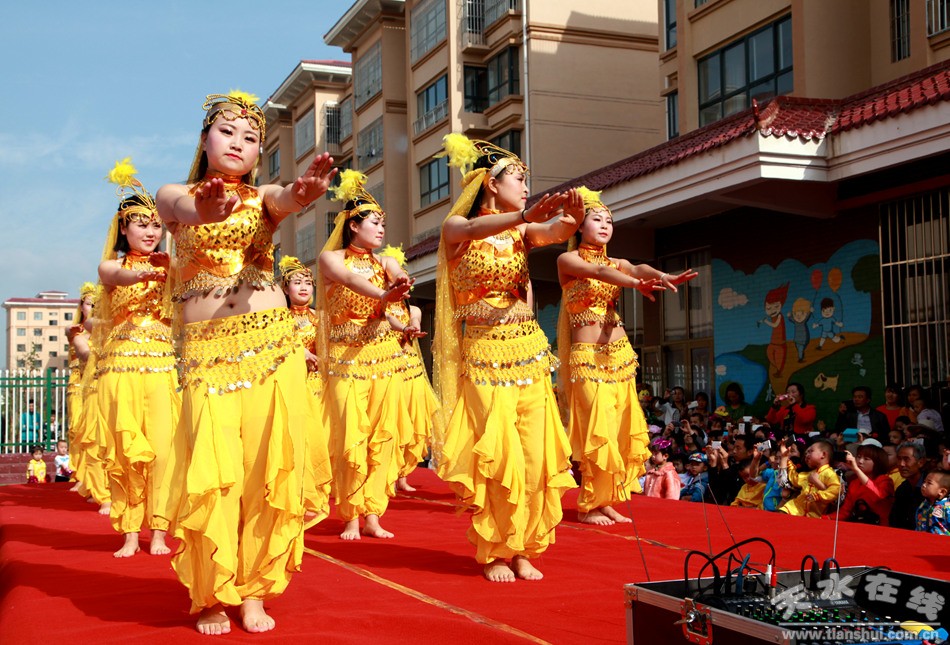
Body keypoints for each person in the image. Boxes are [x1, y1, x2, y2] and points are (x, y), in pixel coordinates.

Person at [156, 91, 336, 635]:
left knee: (266, 469)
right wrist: (207, 210)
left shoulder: (261, 198)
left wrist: (300, 194)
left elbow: (281, 199)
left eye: (251, 137)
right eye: (227, 131)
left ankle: (255, 588)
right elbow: (186, 210)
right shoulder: (174, 194)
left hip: (272, 348)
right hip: (210, 355)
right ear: (204, 139)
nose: (238, 143)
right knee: (214, 473)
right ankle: (212, 591)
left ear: (260, 151)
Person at [433, 133, 580, 583]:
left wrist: (571, 221)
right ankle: (497, 550)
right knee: (500, 456)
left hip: (529, 352)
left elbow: (552, 232)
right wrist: (524, 216)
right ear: (491, 184)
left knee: (535, 454)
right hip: (485, 356)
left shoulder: (521, 230)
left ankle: (524, 547)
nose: (526, 187)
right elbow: (473, 230)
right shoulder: (456, 227)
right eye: (518, 178)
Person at [557, 186, 691, 526]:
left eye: (609, 221)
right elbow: (600, 273)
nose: (605, 225)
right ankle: (588, 504)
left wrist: (663, 276)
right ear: (579, 226)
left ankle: (607, 500)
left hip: (619, 356)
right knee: (597, 428)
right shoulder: (568, 261)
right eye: (596, 219)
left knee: (617, 431)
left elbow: (638, 267)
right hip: (588, 358)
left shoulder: (617, 263)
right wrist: (633, 285)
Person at [317, 170, 412, 540]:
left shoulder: (384, 263)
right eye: (375, 222)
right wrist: (383, 294)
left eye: (383, 223)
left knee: (381, 436)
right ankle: (351, 516)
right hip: (345, 360)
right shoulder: (330, 259)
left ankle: (373, 514)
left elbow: (397, 277)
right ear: (353, 226)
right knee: (350, 435)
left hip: (383, 357)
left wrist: (399, 285)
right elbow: (351, 281)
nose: (381, 229)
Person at [96, 158, 181, 558]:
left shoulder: (174, 267)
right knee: (127, 452)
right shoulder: (111, 266)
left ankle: (159, 531)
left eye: (156, 225)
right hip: (121, 370)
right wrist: (143, 274)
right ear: (123, 228)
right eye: (141, 224)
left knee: (163, 452)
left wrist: (172, 272)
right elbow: (118, 277)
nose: (150, 232)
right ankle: (130, 532)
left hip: (162, 369)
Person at [377, 243, 440, 493]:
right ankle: (386, 474)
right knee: (392, 423)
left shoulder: (413, 309)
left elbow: (414, 320)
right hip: (388, 371)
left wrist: (412, 328)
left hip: (411, 374)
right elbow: (388, 322)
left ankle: (402, 475)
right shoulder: (379, 309)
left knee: (411, 424)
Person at [279, 255, 334, 523]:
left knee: (319, 444)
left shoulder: (321, 318)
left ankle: (316, 498)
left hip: (319, 387)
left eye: (307, 283)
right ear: (285, 288)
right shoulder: (278, 319)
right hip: (293, 388)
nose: (303, 287)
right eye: (296, 282)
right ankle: (297, 498)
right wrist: (297, 352)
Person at [66, 282, 95, 492]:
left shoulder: (104, 327)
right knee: (77, 426)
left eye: (95, 304)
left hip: (95, 380)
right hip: (77, 381)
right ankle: (79, 473)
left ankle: (93, 478)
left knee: (94, 428)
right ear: (81, 305)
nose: (91, 308)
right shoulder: (75, 330)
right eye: (88, 304)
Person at [831, 438, 894, 525]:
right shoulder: (854, 483)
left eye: (866, 459)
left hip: (880, 527)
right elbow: (845, 512)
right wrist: (824, 518)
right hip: (859, 525)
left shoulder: (885, 480)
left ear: (878, 462)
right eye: (859, 457)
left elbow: (877, 495)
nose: (860, 461)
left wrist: (856, 470)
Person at [778, 440, 841, 518]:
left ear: (823, 455)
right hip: (795, 509)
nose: (807, 455)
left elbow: (836, 490)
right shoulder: (809, 474)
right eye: (806, 453)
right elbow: (794, 479)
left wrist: (817, 496)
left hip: (814, 516)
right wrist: (786, 459)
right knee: (780, 516)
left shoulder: (831, 474)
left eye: (811, 451)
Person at [889, 441, 928, 530]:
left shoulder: (932, 488)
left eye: (906, 459)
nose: (901, 464)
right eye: (899, 459)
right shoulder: (902, 489)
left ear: (921, 462)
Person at [915, 470, 950, 535]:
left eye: (929, 483)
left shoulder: (947, 508)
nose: (923, 485)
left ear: (942, 492)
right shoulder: (924, 504)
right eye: (924, 482)